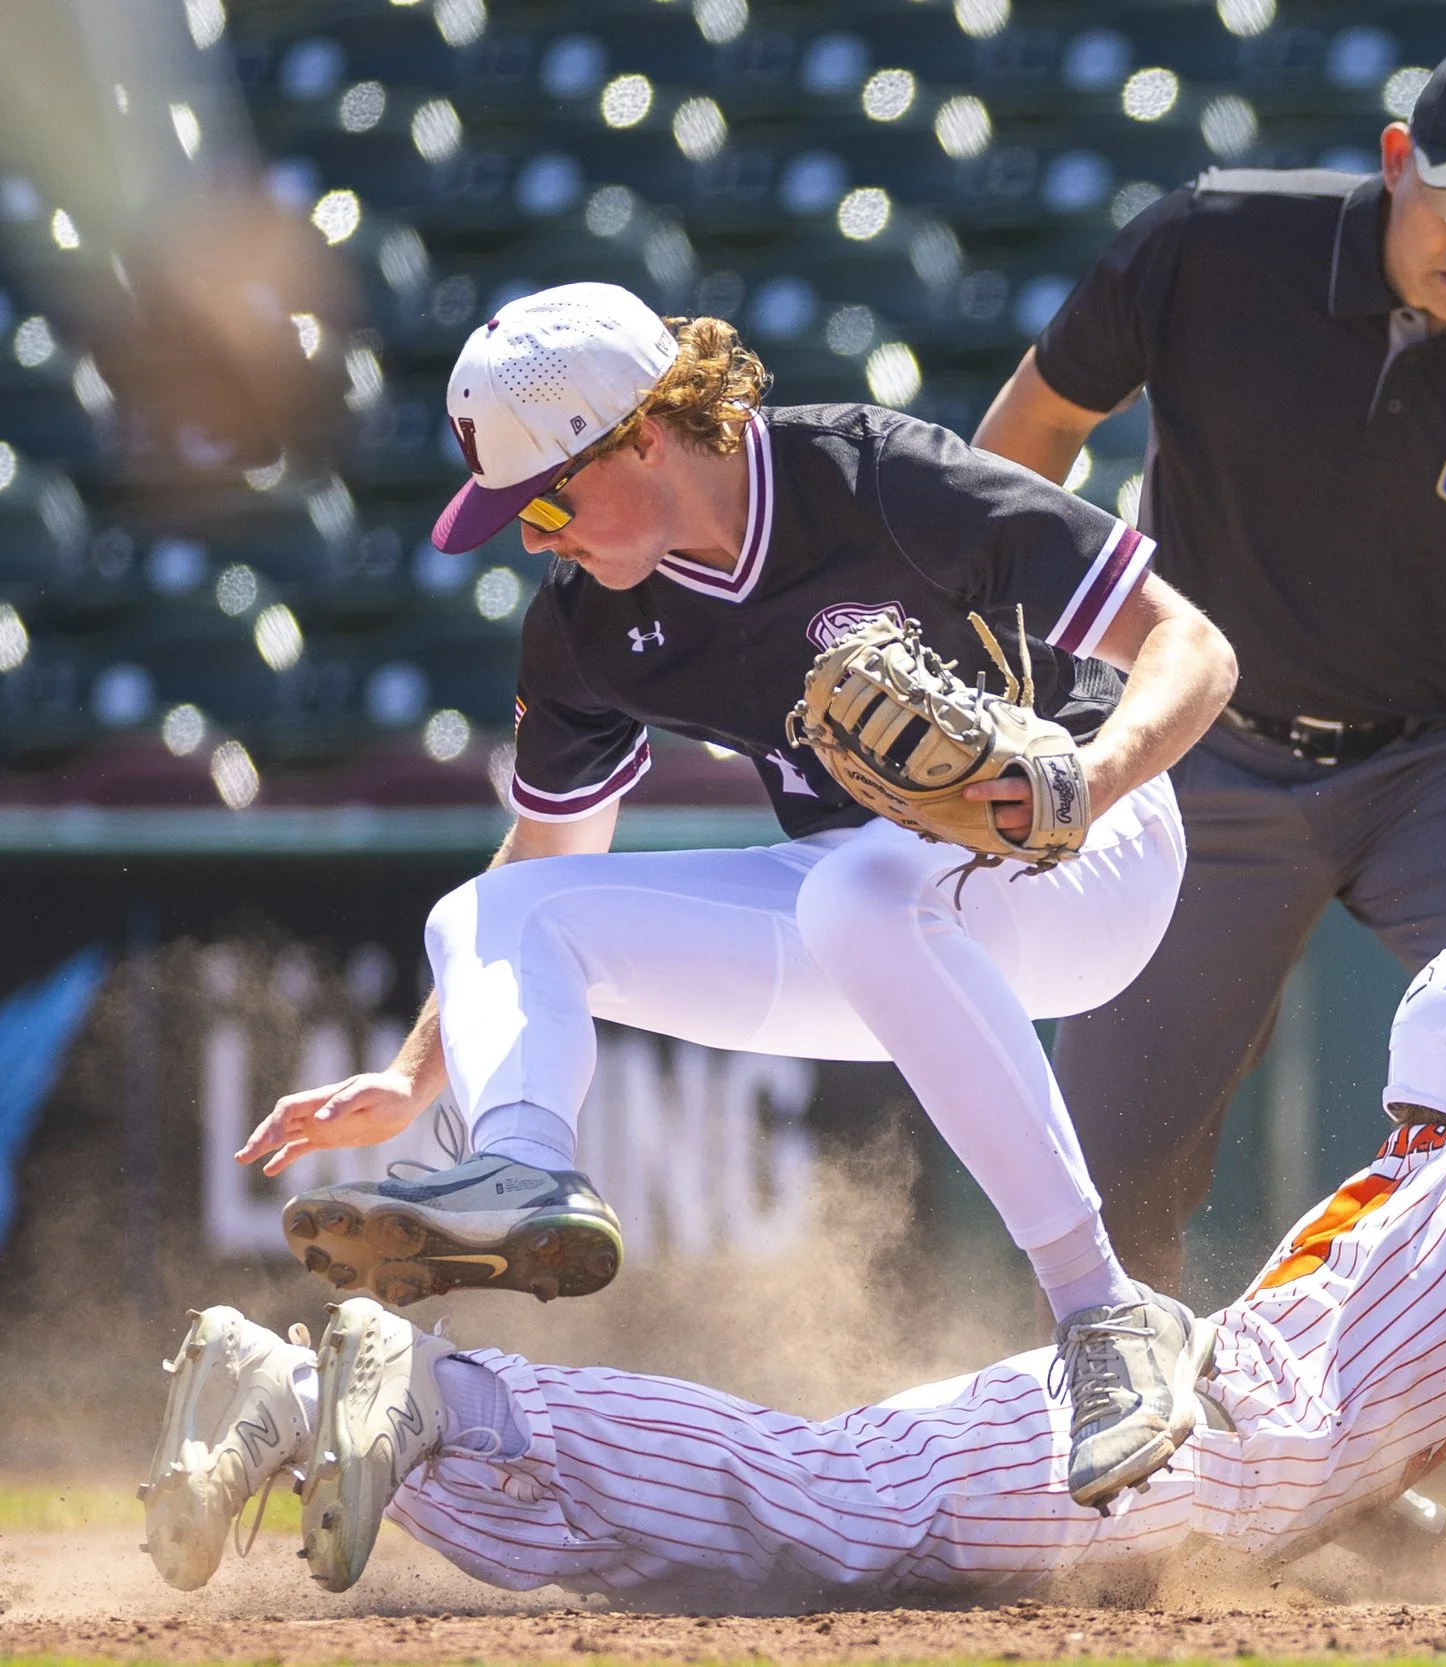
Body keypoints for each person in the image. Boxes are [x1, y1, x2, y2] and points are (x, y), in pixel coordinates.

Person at [149, 937, 1446, 1600]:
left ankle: (345, 1424)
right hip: (1171, 1434)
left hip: (1166, 1430)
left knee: (750, 1542)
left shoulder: (1417, 1194)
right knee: (786, 1503)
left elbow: (1341, 1485)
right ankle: (416, 1391)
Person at [231, 281, 1240, 1509]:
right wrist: (413, 1077)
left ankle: (1105, 1314)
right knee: (482, 919)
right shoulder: (587, 626)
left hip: (1090, 854)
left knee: (860, 893)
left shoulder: (878, 478)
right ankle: (520, 1168)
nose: (534, 536)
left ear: (645, 430)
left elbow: (1192, 643)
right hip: (871, 895)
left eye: (545, 495)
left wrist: (1089, 777)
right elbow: (548, 852)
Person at [972, 44, 1446, 1299]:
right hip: (1195, 734)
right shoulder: (1212, 246)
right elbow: (1033, 432)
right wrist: (996, 671)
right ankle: (1134, 1444)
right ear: (1393, 162)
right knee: (1105, 1169)